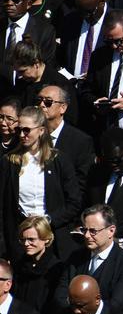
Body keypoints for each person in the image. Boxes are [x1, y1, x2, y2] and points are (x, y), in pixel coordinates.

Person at [0, 105, 80, 259]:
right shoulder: (9, 162)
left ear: (41, 130)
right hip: (19, 240)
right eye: (19, 130)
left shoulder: (59, 160)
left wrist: (49, 220)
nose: (22, 135)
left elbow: (74, 202)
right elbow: (3, 206)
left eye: (27, 130)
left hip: (54, 238)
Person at [12, 215, 63, 314]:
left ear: (46, 239)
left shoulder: (56, 269)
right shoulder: (19, 266)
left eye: (31, 239)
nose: (26, 244)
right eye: (23, 240)